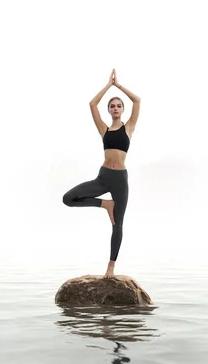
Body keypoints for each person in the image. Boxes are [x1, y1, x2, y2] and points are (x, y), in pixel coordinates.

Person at [62, 69, 141, 278]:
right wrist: (108, 86)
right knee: (68, 198)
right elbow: (92, 105)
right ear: (109, 110)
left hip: (120, 180)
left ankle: (111, 266)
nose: (115, 108)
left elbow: (137, 100)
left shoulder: (129, 127)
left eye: (118, 105)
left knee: (118, 223)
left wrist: (119, 86)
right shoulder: (104, 130)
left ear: (122, 109)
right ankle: (105, 204)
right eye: (112, 106)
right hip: (104, 177)